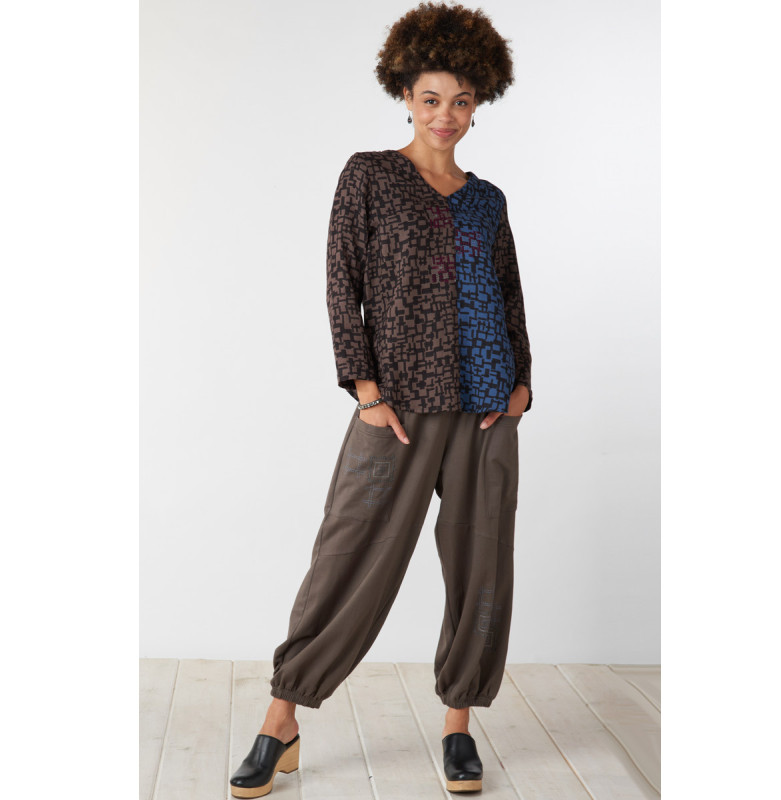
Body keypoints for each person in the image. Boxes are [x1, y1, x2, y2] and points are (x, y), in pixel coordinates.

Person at [230, 2, 532, 796]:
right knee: (349, 553)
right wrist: (364, 389)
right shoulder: (368, 176)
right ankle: (282, 717)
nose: (446, 115)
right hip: (395, 404)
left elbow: (507, 295)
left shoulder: (487, 200)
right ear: (405, 94)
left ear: (479, 103)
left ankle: (459, 724)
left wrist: (522, 382)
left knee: (480, 563)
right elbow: (343, 284)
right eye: (431, 98)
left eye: (461, 100)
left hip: (488, 407)